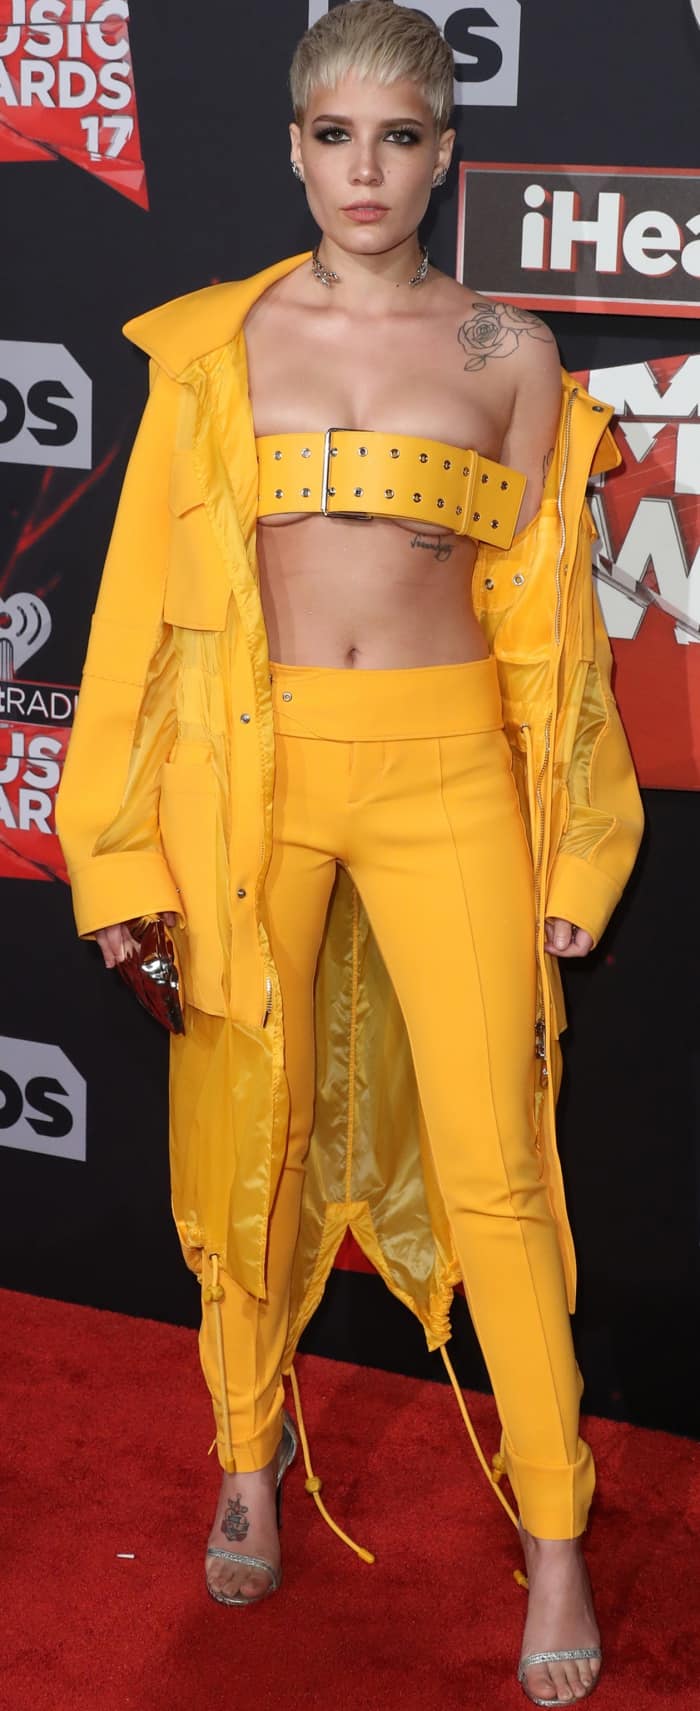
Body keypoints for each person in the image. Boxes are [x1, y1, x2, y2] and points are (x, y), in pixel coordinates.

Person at [56, 3, 644, 1703]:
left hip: (454, 774)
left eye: (401, 138)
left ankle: (556, 1535)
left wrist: (569, 856)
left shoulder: (510, 357)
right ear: (296, 147)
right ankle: (247, 1457)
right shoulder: (215, 352)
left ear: (446, 154)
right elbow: (133, 635)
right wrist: (120, 863)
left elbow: (551, 645)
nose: (366, 171)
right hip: (251, 786)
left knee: (499, 1168)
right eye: (336, 137)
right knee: (246, 1133)